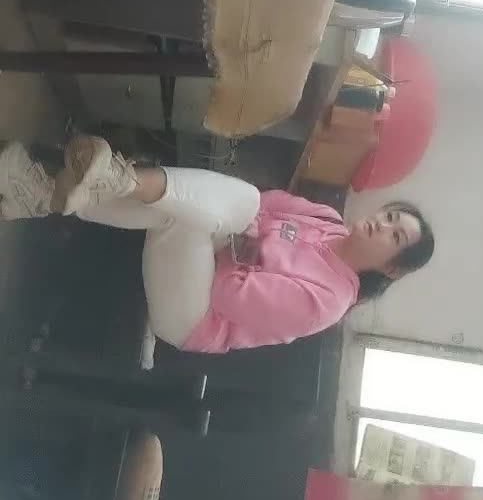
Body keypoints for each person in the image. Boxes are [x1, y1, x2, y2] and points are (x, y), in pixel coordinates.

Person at [0, 135, 434, 355]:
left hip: (194, 316)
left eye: (394, 235)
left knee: (201, 212)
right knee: (209, 206)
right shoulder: (328, 221)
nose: (382, 224)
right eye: (390, 216)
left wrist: (236, 238)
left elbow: (228, 292)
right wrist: (241, 241)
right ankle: (48, 194)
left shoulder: (328, 302)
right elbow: (263, 203)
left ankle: (108, 180)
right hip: (211, 246)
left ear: (391, 268)